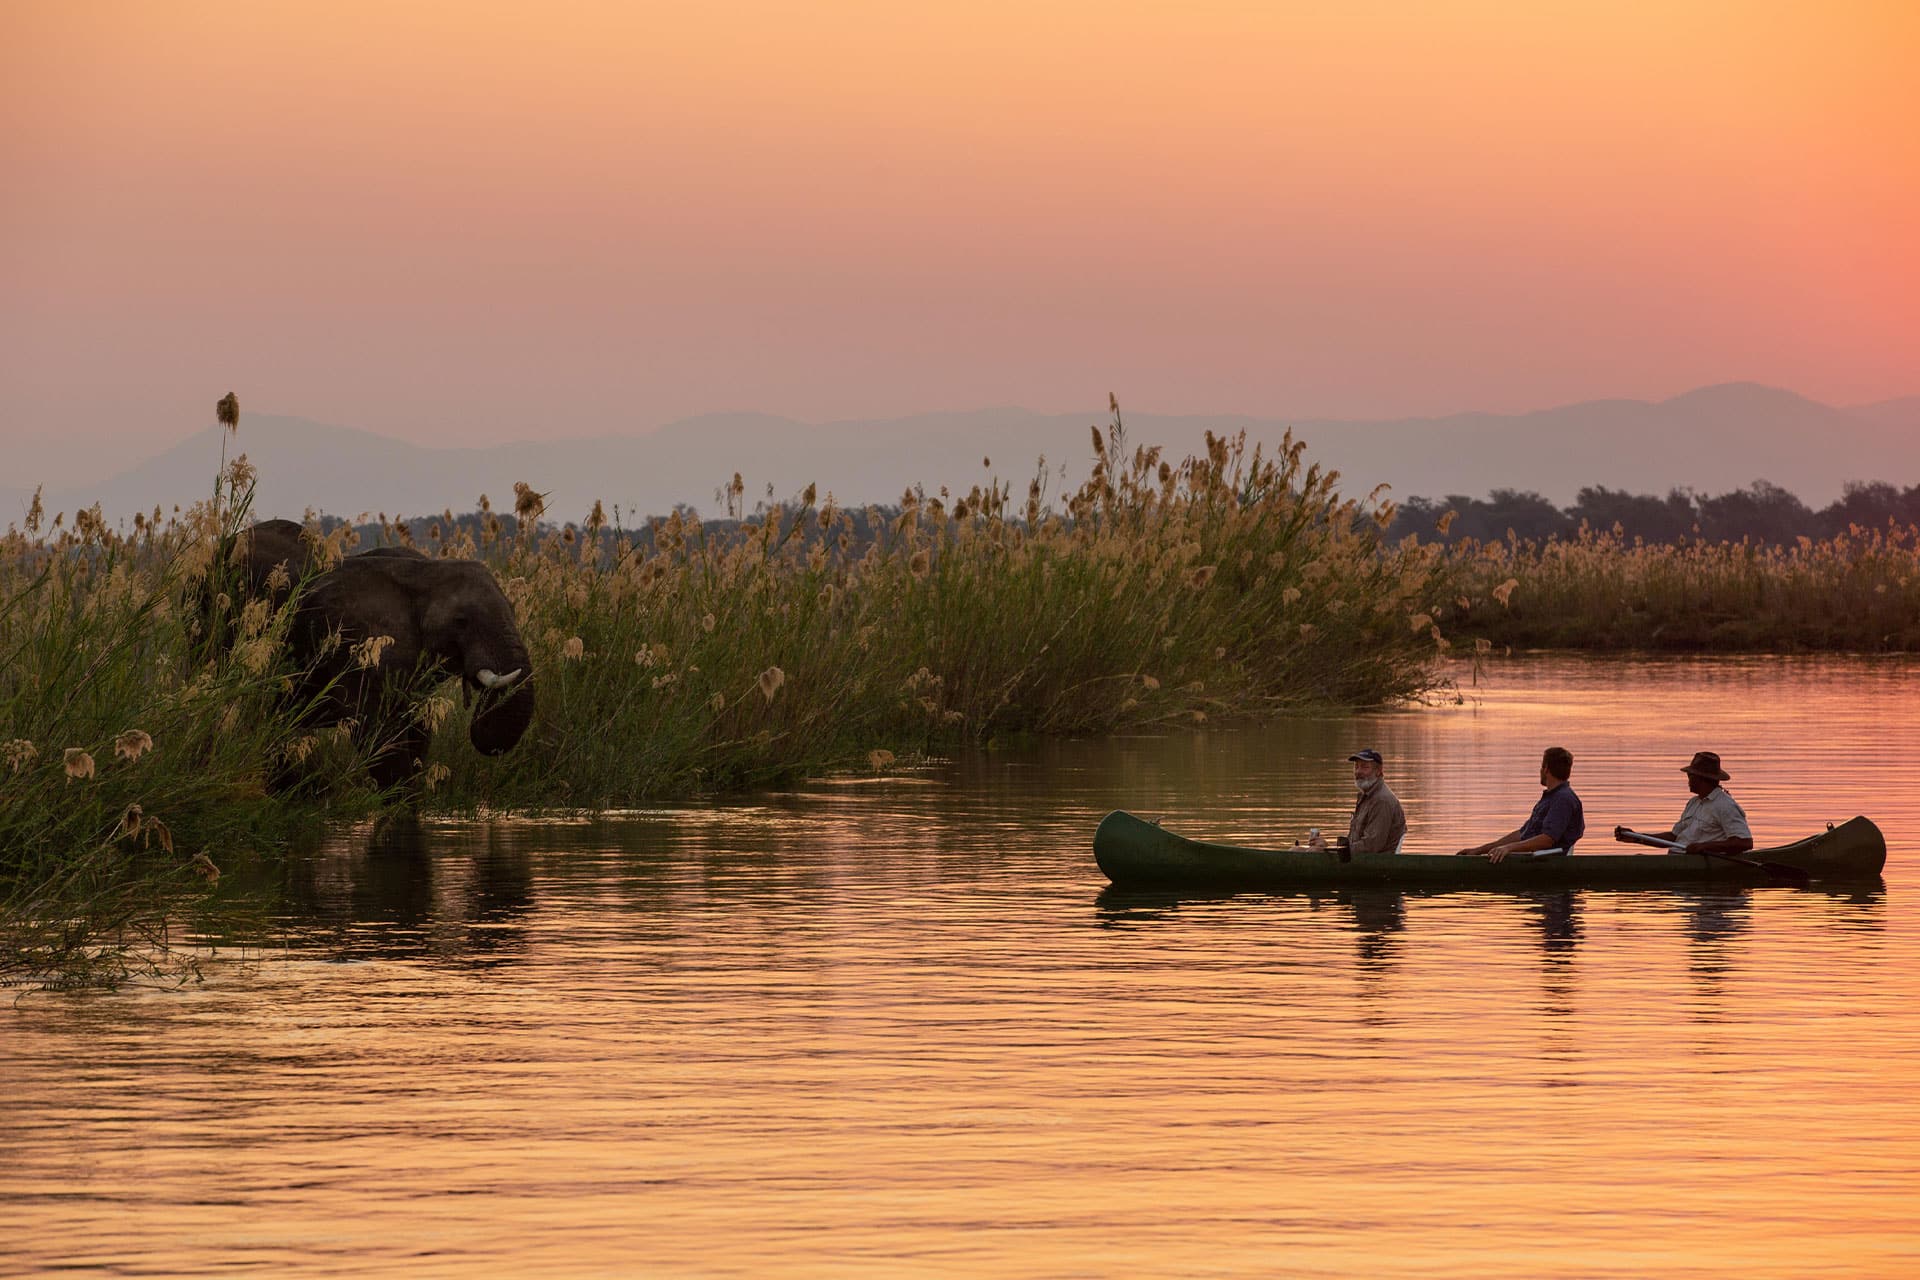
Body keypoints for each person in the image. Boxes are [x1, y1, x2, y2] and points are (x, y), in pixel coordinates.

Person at [1456, 746, 1584, 862]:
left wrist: (1509, 848)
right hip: (1535, 859)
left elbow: (1548, 839)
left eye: (1541, 766)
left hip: (1548, 861)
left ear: (1546, 770)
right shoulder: (1551, 798)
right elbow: (1523, 835)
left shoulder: (1563, 799)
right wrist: (1479, 850)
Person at [1613, 751, 1753, 856]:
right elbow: (1674, 837)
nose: (1688, 780)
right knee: (1640, 858)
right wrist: (1638, 837)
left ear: (1701, 778)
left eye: (1690, 776)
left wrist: (1704, 846)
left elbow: (1744, 843)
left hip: (1697, 863)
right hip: (1677, 859)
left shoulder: (1725, 805)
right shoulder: (1694, 803)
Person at [1307, 748, 1407, 855]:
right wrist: (1328, 846)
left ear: (1378, 771)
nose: (1358, 772)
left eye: (1364, 767)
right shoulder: (1366, 796)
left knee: (1310, 852)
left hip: (1374, 863)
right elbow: (1355, 842)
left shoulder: (1381, 801)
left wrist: (1331, 850)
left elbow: (1371, 846)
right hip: (1357, 858)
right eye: (1356, 767)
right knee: (1298, 850)